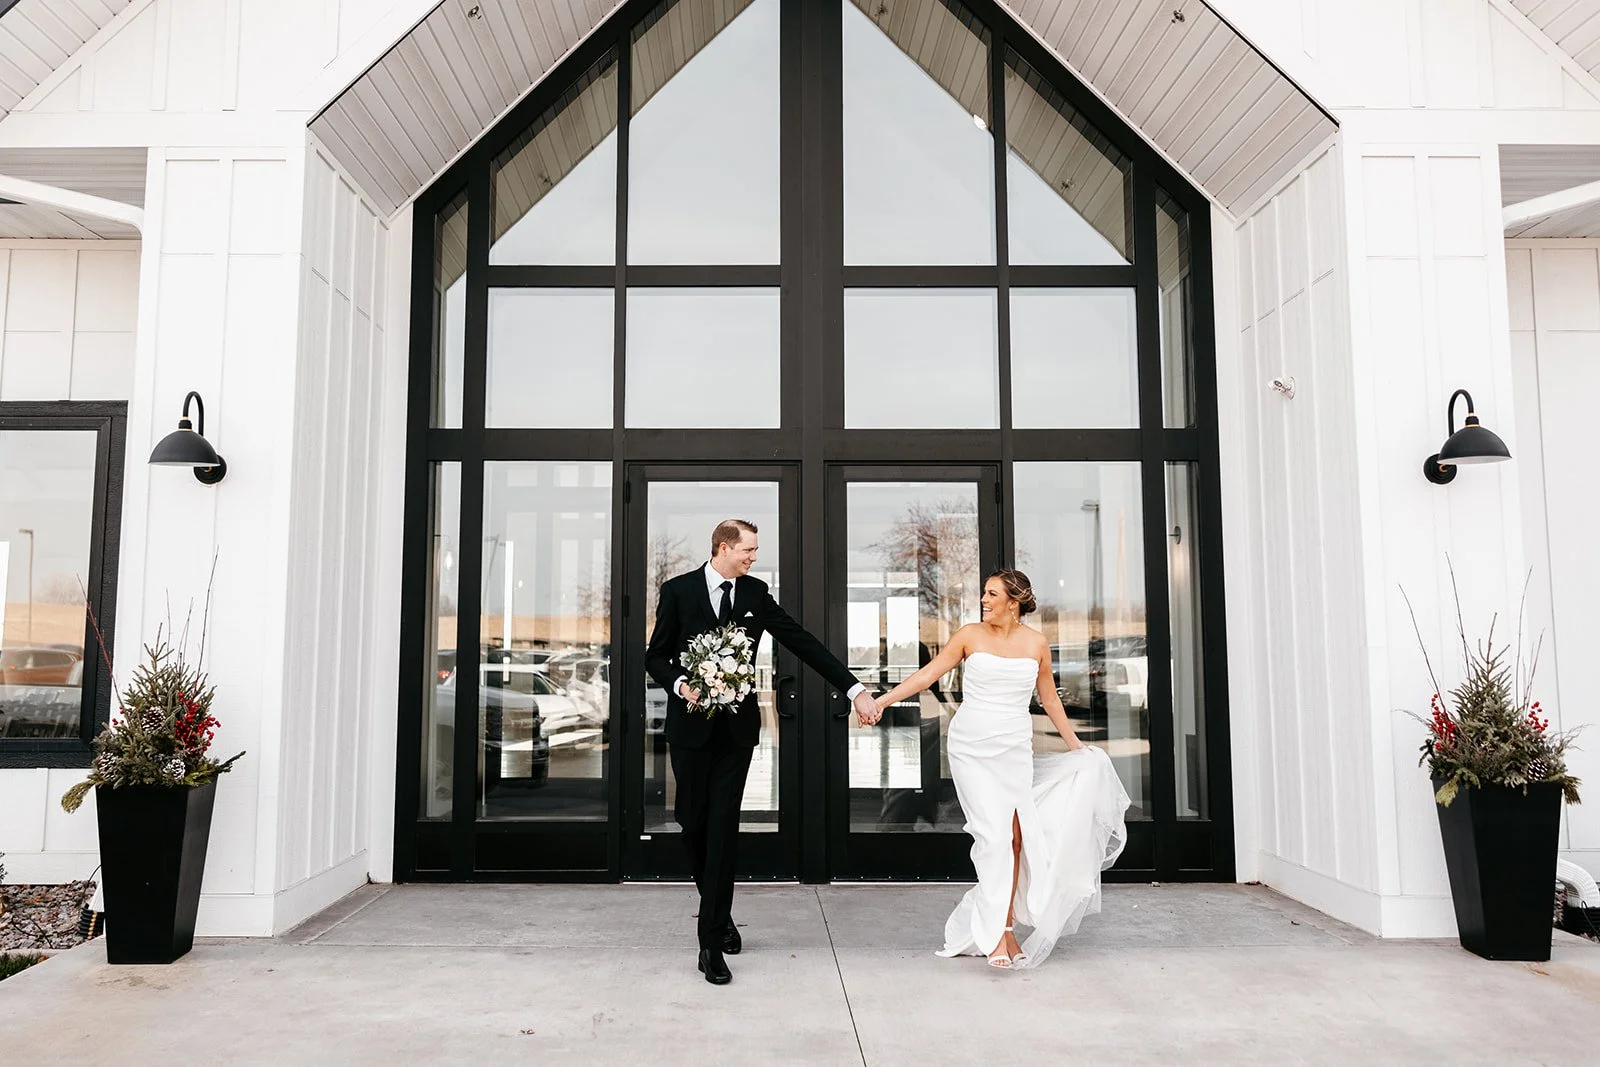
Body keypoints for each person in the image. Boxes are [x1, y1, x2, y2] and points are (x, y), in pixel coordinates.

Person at [646, 518, 881, 986]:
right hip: (690, 731)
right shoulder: (678, 591)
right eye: (748, 550)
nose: (753, 557)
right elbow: (655, 655)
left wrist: (854, 689)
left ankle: (710, 942)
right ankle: (718, 911)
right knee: (693, 823)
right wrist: (681, 684)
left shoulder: (754, 593)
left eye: (754, 551)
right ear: (722, 548)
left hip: (735, 734)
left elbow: (802, 641)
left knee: (722, 828)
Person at [872, 568, 1130, 968]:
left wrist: (1077, 747)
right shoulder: (969, 635)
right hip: (971, 748)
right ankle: (994, 933)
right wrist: (881, 701)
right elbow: (928, 675)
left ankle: (1005, 929)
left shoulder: (1037, 643)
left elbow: (1050, 700)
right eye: (984, 593)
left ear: (1015, 601)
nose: (984, 600)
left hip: (1014, 749)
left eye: (992, 594)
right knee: (993, 838)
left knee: (1015, 840)